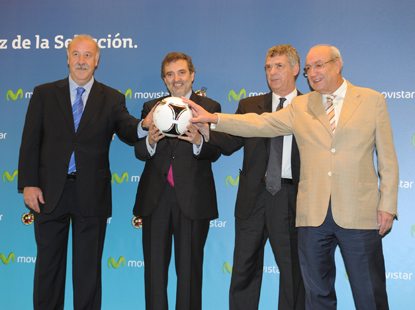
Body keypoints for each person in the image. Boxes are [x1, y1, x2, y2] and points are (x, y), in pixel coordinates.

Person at [185, 44, 399, 310]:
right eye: (309, 69)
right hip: (312, 216)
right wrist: (214, 118)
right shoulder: (302, 105)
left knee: (370, 293)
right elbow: (260, 124)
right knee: (316, 294)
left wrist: (387, 204)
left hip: (358, 213)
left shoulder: (371, 99)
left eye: (318, 65)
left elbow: (388, 159)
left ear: (337, 64)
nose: (313, 73)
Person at [18, 34, 140, 310]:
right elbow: (30, 141)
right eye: (76, 54)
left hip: (91, 195)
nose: (81, 61)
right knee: (48, 267)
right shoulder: (44, 93)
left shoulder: (112, 98)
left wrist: (147, 126)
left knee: (88, 273)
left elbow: (129, 131)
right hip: (48, 192)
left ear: (97, 61)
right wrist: (28, 184)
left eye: (88, 55)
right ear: (68, 58)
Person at [200, 45, 304, 310]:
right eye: (268, 67)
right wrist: (205, 133)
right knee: (243, 273)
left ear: (295, 69)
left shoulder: (310, 106)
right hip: (252, 200)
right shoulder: (249, 105)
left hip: (292, 199)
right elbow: (230, 141)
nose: (272, 72)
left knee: (293, 275)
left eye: (279, 66)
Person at [133, 52, 221, 310]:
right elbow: (139, 151)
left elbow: (217, 150)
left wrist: (198, 143)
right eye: (170, 74)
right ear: (164, 79)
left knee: (190, 274)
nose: (177, 79)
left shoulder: (209, 107)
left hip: (193, 201)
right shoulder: (152, 108)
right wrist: (149, 141)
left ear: (192, 75)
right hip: (155, 200)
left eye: (181, 72)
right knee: (154, 276)